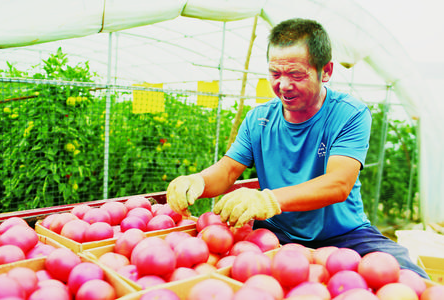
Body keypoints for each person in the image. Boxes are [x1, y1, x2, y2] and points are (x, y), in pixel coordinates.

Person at [166, 18, 428, 279]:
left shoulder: (348, 114)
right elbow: (227, 171)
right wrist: (197, 181)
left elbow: (338, 184)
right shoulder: (259, 119)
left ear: (326, 71)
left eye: (296, 74)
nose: (284, 85)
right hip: (275, 232)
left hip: (344, 235)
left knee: (410, 278)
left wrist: (268, 200)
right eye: (275, 74)